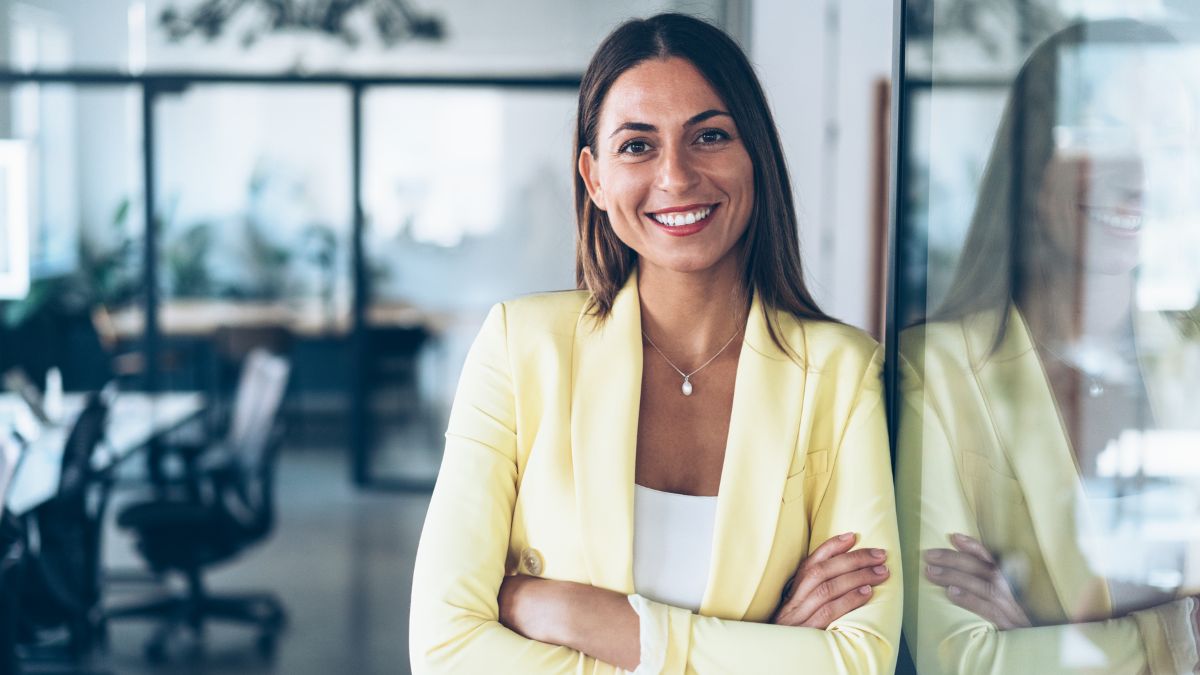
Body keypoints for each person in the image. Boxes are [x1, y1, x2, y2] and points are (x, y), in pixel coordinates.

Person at [410, 13, 901, 674]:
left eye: (710, 136)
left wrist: (591, 620)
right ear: (594, 177)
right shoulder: (520, 348)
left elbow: (859, 660)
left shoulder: (843, 373)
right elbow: (444, 649)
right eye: (638, 146)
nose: (676, 176)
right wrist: (766, 650)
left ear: (754, 153)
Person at [897, 19, 1200, 675]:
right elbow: (965, 661)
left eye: (1168, 142)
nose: (1138, 171)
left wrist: (1040, 638)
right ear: (1033, 157)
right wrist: (1176, 638)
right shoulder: (936, 371)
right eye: (1107, 132)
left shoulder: (1190, 368)